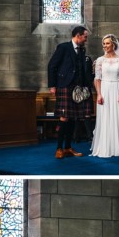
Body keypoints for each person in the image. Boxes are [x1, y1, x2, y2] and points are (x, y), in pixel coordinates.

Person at [47, 25, 94, 159]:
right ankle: (59, 148)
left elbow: (81, 69)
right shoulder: (63, 47)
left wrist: (87, 86)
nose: (86, 39)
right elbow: (52, 66)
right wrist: (52, 85)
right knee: (64, 118)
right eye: (85, 37)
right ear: (78, 35)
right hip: (65, 87)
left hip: (78, 89)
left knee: (74, 117)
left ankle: (68, 147)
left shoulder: (82, 50)